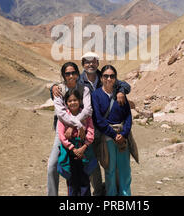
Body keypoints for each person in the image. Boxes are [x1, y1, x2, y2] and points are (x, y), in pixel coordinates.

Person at [49, 53, 131, 196]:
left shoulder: (105, 76)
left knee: (103, 163)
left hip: (97, 128)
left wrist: (121, 91)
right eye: (87, 62)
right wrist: (53, 88)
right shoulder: (77, 80)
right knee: (58, 164)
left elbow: (124, 85)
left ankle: (106, 192)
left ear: (98, 63)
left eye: (93, 62)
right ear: (82, 64)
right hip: (74, 130)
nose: (90, 64)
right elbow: (61, 105)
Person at [47, 62, 92, 196]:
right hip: (62, 133)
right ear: (63, 75)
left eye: (73, 73)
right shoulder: (58, 90)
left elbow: (88, 109)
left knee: (90, 163)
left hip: (83, 132)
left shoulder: (85, 89)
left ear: (78, 74)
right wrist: (76, 124)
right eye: (67, 73)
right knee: (52, 166)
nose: (71, 76)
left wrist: (74, 125)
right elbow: (60, 113)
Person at [92, 65, 132, 196]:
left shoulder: (121, 94)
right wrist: (114, 135)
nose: (109, 79)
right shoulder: (96, 95)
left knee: (124, 170)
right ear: (101, 78)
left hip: (123, 137)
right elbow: (98, 119)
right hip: (108, 138)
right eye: (106, 76)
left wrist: (124, 134)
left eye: (112, 76)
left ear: (115, 78)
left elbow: (128, 116)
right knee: (110, 170)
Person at [57, 88, 96, 196]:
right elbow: (61, 135)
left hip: (84, 150)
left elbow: (91, 131)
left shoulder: (86, 115)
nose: (73, 103)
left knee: (85, 180)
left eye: (75, 100)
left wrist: (84, 147)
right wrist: (72, 148)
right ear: (66, 103)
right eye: (70, 101)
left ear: (80, 100)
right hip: (70, 152)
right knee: (72, 181)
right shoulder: (63, 117)